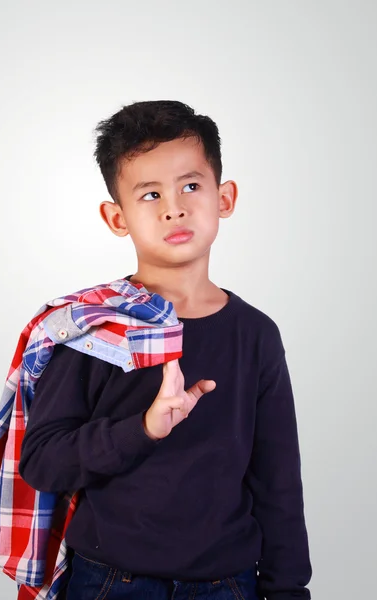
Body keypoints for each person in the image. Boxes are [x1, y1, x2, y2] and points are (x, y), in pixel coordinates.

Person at [19, 100, 312, 600]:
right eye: (150, 194)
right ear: (117, 217)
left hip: (229, 585)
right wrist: (144, 428)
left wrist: (288, 591)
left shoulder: (256, 335)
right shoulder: (93, 327)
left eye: (191, 186)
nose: (174, 207)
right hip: (109, 582)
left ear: (225, 197)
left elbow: (278, 484)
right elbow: (44, 462)